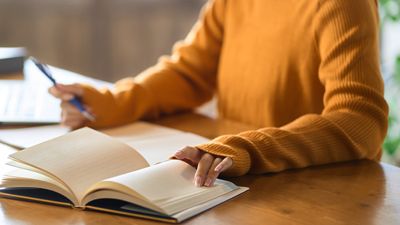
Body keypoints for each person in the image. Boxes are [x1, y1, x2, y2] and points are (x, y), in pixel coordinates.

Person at [49, 0, 389, 188]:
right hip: (236, 183)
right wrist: (112, 102)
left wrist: (244, 148)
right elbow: (189, 73)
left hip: (310, 187)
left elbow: (360, 119)